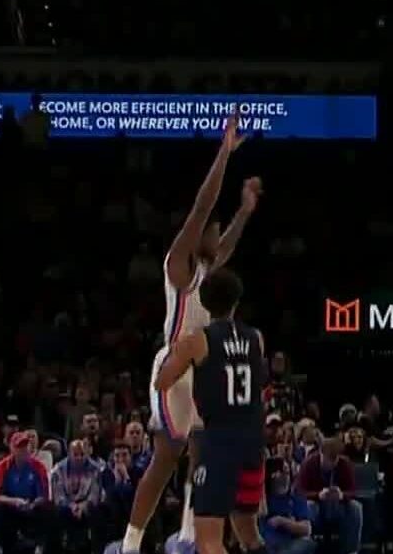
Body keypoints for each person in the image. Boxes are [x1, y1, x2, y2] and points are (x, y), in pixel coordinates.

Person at [110, 113, 262, 554]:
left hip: (203, 364)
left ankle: (191, 537)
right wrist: (225, 152)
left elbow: (229, 242)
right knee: (165, 457)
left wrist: (245, 212)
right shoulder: (179, 266)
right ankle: (131, 544)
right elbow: (201, 207)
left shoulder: (211, 271)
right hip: (174, 364)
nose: (218, 236)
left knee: (204, 453)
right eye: (213, 231)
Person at [151, 268, 269, 554]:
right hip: (253, 440)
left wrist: (175, 352)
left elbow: (162, 381)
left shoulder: (197, 341)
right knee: (248, 532)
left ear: (203, 303)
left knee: (208, 541)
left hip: (220, 441)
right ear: (236, 302)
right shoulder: (256, 338)